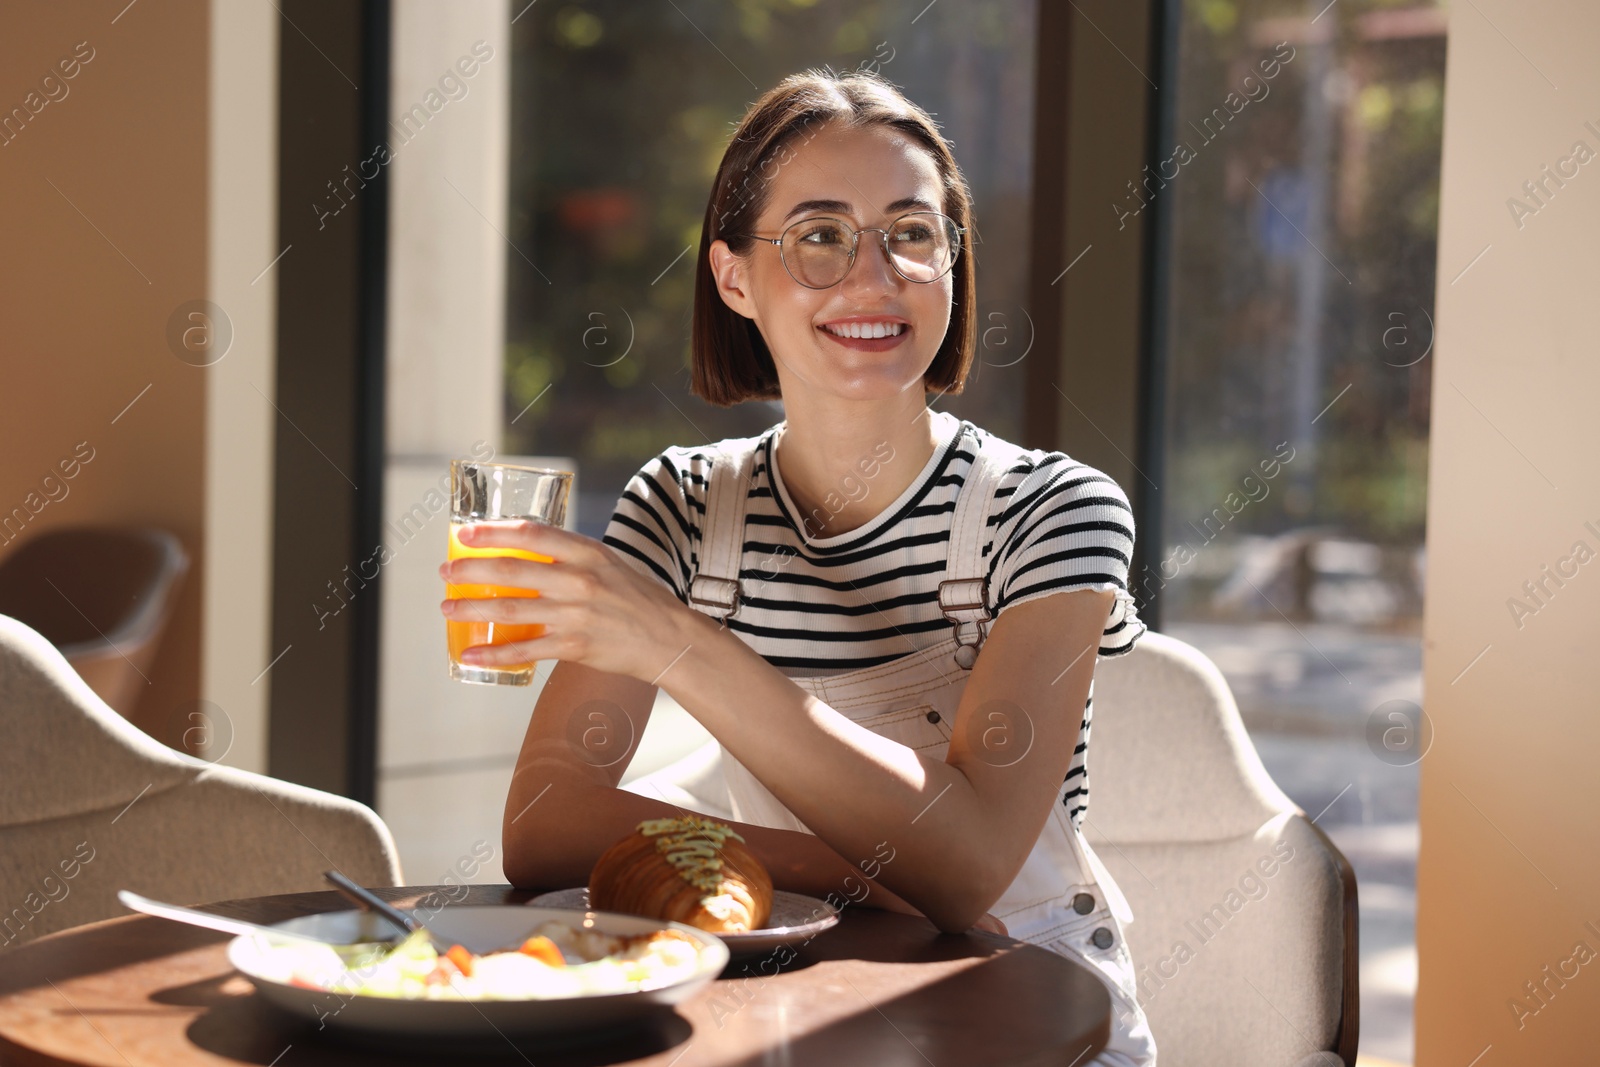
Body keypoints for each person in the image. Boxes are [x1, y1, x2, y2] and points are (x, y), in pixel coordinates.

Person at [439, 68, 1157, 1065]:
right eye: (819, 236)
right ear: (734, 278)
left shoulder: (1054, 509)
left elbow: (976, 869)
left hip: (1034, 1014)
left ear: (951, 262)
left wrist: (675, 642)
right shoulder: (687, 502)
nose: (874, 276)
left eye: (912, 232)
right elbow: (547, 819)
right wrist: (852, 874)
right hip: (789, 998)